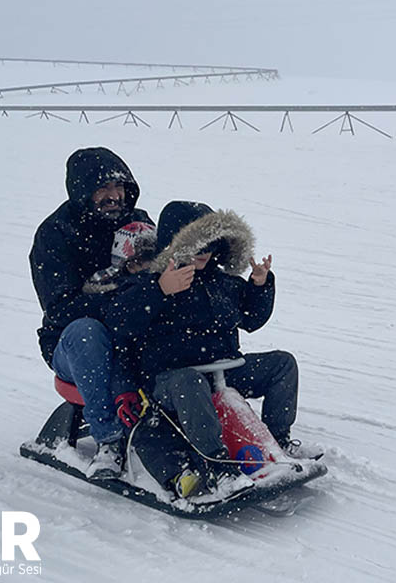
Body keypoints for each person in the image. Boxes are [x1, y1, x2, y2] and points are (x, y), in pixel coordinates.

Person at [107, 201, 322, 484]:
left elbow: (251, 319)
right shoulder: (152, 281)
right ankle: (215, 464)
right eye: (196, 246)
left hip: (223, 371)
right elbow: (120, 322)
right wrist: (159, 290)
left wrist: (260, 286)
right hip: (171, 381)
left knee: (282, 364)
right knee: (190, 382)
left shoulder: (221, 282)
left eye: (209, 246)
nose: (204, 254)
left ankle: (277, 442)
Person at [29, 147, 152, 479]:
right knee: (88, 331)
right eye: (103, 188)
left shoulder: (136, 223)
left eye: (119, 187)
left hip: (126, 332)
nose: (114, 196)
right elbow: (60, 308)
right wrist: (123, 294)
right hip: (70, 344)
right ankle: (109, 440)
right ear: (83, 191)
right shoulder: (55, 234)